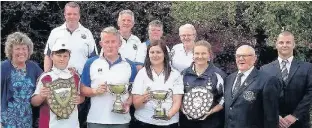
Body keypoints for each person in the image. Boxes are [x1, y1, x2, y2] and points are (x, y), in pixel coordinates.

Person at [80, 26, 137, 128]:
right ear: (101, 44)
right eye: (107, 42)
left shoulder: (130, 65)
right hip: (96, 120)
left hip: (121, 121)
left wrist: (128, 103)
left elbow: (133, 92)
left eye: (113, 42)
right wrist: (95, 91)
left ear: (119, 43)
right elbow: (82, 89)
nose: (110, 45)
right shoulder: (91, 63)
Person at [260, 31, 312, 128]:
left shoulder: (308, 68)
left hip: (300, 123)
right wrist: (275, 116)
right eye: (281, 42)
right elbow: (263, 96)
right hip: (274, 123)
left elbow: (310, 93)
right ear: (276, 45)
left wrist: (295, 116)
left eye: (288, 42)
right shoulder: (265, 69)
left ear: (293, 45)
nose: (284, 45)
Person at [31, 39, 84, 128]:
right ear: (51, 56)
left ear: (69, 57)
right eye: (59, 55)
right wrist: (41, 96)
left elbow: (82, 97)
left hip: (72, 124)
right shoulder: (46, 77)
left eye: (65, 56)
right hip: (49, 124)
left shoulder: (76, 77)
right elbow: (34, 102)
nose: (62, 59)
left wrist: (80, 99)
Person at [224, 45, 280, 128]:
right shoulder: (229, 79)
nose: (241, 59)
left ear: (254, 58)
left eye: (245, 56)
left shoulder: (267, 80)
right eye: (238, 56)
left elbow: (271, 117)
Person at [132, 40, 183, 128]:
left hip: (168, 123)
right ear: (148, 55)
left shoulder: (175, 74)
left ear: (165, 54)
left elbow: (177, 101)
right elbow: (136, 105)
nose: (155, 55)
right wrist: (143, 98)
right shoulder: (142, 73)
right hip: (144, 122)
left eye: (158, 52)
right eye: (152, 52)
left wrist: (167, 116)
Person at [180, 40, 226, 128]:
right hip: (187, 123)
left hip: (211, 123)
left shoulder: (218, 75)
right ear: (193, 55)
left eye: (203, 53)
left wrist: (212, 111)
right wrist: (183, 109)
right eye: (197, 53)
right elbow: (178, 97)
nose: (200, 56)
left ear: (209, 55)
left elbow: (224, 98)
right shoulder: (183, 74)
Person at [1, 32, 43, 128]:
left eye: (24, 48)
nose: (21, 52)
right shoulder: (3, 67)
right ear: (11, 51)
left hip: (26, 120)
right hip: (5, 121)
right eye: (17, 49)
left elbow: (47, 79)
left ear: (28, 51)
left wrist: (66, 70)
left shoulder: (33, 67)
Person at [44, 1, 98, 75]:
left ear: (79, 15)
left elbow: (94, 59)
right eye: (69, 14)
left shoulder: (87, 33)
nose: (72, 17)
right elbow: (48, 56)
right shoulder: (55, 32)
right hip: (58, 80)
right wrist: (47, 76)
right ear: (65, 15)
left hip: (81, 80)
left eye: (75, 14)